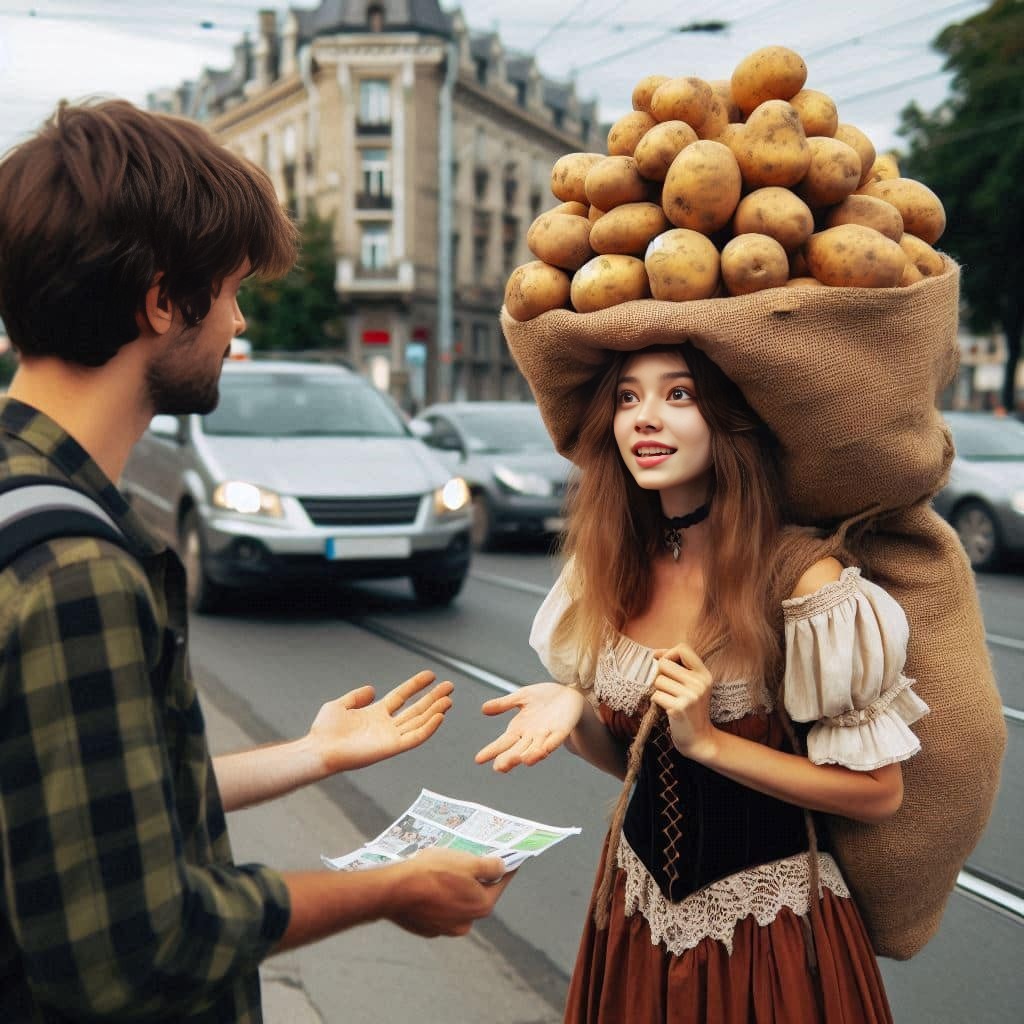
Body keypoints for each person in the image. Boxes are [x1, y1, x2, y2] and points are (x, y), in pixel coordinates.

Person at [0, 100, 511, 1023]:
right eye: (233, 289)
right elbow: (142, 950)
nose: (238, 324)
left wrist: (313, 755)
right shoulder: (75, 571)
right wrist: (390, 890)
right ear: (162, 300)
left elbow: (87, 801)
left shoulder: (21, 486)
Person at [477, 341, 929, 1022]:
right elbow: (632, 761)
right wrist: (573, 709)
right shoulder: (612, 567)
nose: (643, 419)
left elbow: (876, 794)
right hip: (632, 914)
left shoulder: (806, 584)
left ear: (731, 421)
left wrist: (712, 742)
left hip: (768, 937)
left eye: (677, 395)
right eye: (628, 398)